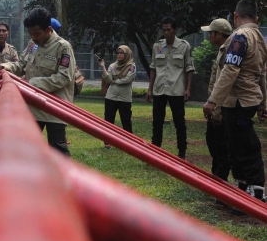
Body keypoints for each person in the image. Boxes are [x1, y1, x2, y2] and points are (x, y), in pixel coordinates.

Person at [203, 0, 267, 213]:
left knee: (245, 149)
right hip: (249, 100)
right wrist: (263, 103)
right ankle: (242, 192)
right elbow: (262, 75)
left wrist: (213, 101)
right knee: (237, 148)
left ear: (235, 15)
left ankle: (255, 195)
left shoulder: (240, 37)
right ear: (256, 18)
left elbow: (230, 70)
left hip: (237, 101)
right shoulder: (260, 38)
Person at [0, 8, 75, 156]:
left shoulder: (62, 46)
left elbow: (64, 77)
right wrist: (5, 67)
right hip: (33, 106)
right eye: (31, 33)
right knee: (26, 148)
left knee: (57, 149)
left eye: (37, 33)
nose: (33, 37)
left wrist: (32, 84)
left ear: (48, 29)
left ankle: (60, 179)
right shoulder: (32, 44)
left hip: (55, 107)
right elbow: (21, 65)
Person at [147, 17, 194, 159]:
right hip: (159, 89)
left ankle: (182, 153)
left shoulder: (184, 46)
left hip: (176, 89)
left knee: (179, 122)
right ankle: (155, 152)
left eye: (169, 30)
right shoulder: (158, 46)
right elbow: (153, 68)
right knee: (157, 122)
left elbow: (189, 68)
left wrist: (188, 88)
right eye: (164, 30)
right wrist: (150, 89)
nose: (166, 32)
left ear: (175, 30)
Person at [201, 19, 233, 184]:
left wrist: (217, 112)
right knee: (213, 143)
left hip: (220, 109)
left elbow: (224, 84)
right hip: (215, 107)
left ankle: (221, 182)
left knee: (221, 148)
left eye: (210, 33)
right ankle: (216, 180)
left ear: (219, 34)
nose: (208, 36)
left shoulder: (229, 51)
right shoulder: (222, 49)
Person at [98, 45, 136, 149]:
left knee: (126, 120)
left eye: (122, 53)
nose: (119, 55)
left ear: (127, 54)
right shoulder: (112, 66)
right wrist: (103, 67)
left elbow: (128, 79)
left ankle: (130, 143)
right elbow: (108, 79)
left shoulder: (131, 65)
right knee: (108, 120)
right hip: (111, 96)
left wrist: (116, 81)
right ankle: (107, 142)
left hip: (125, 97)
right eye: (118, 53)